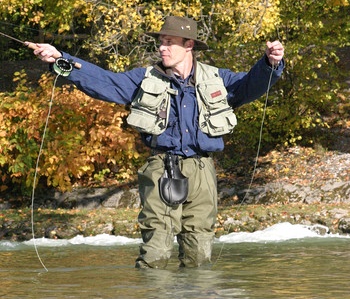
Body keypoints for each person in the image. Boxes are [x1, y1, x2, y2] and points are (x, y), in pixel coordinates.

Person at [31, 15, 284, 269]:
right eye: (161, 42)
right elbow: (103, 82)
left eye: (169, 42)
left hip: (203, 172)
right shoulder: (144, 78)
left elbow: (252, 84)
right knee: (156, 252)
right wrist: (61, 59)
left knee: (199, 254)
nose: (162, 47)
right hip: (162, 169)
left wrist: (270, 63)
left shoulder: (218, 79)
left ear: (189, 45)